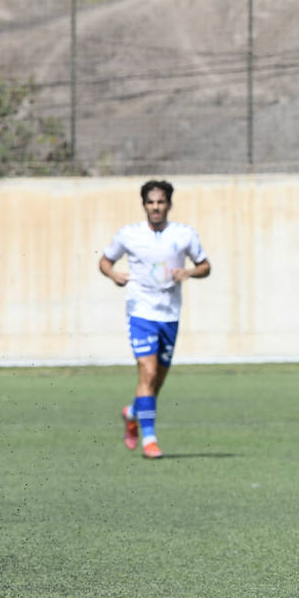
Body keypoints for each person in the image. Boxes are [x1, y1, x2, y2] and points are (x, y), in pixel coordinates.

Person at [98, 179, 211, 460]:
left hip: (169, 314)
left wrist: (188, 273)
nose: (156, 207)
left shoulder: (184, 234)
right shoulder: (129, 234)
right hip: (141, 312)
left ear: (169, 204)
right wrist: (113, 275)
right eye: (151, 202)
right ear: (144, 205)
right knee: (146, 374)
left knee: (156, 382)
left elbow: (205, 265)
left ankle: (133, 412)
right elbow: (105, 261)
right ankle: (150, 439)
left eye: (161, 202)